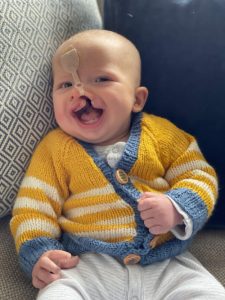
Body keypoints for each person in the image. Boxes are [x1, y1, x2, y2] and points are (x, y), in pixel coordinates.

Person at [10, 29, 225, 299]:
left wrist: (176, 207)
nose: (80, 91)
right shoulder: (54, 149)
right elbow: (33, 208)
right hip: (87, 265)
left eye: (101, 79)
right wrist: (39, 253)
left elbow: (200, 174)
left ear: (137, 99)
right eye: (65, 85)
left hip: (166, 264)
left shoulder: (162, 134)